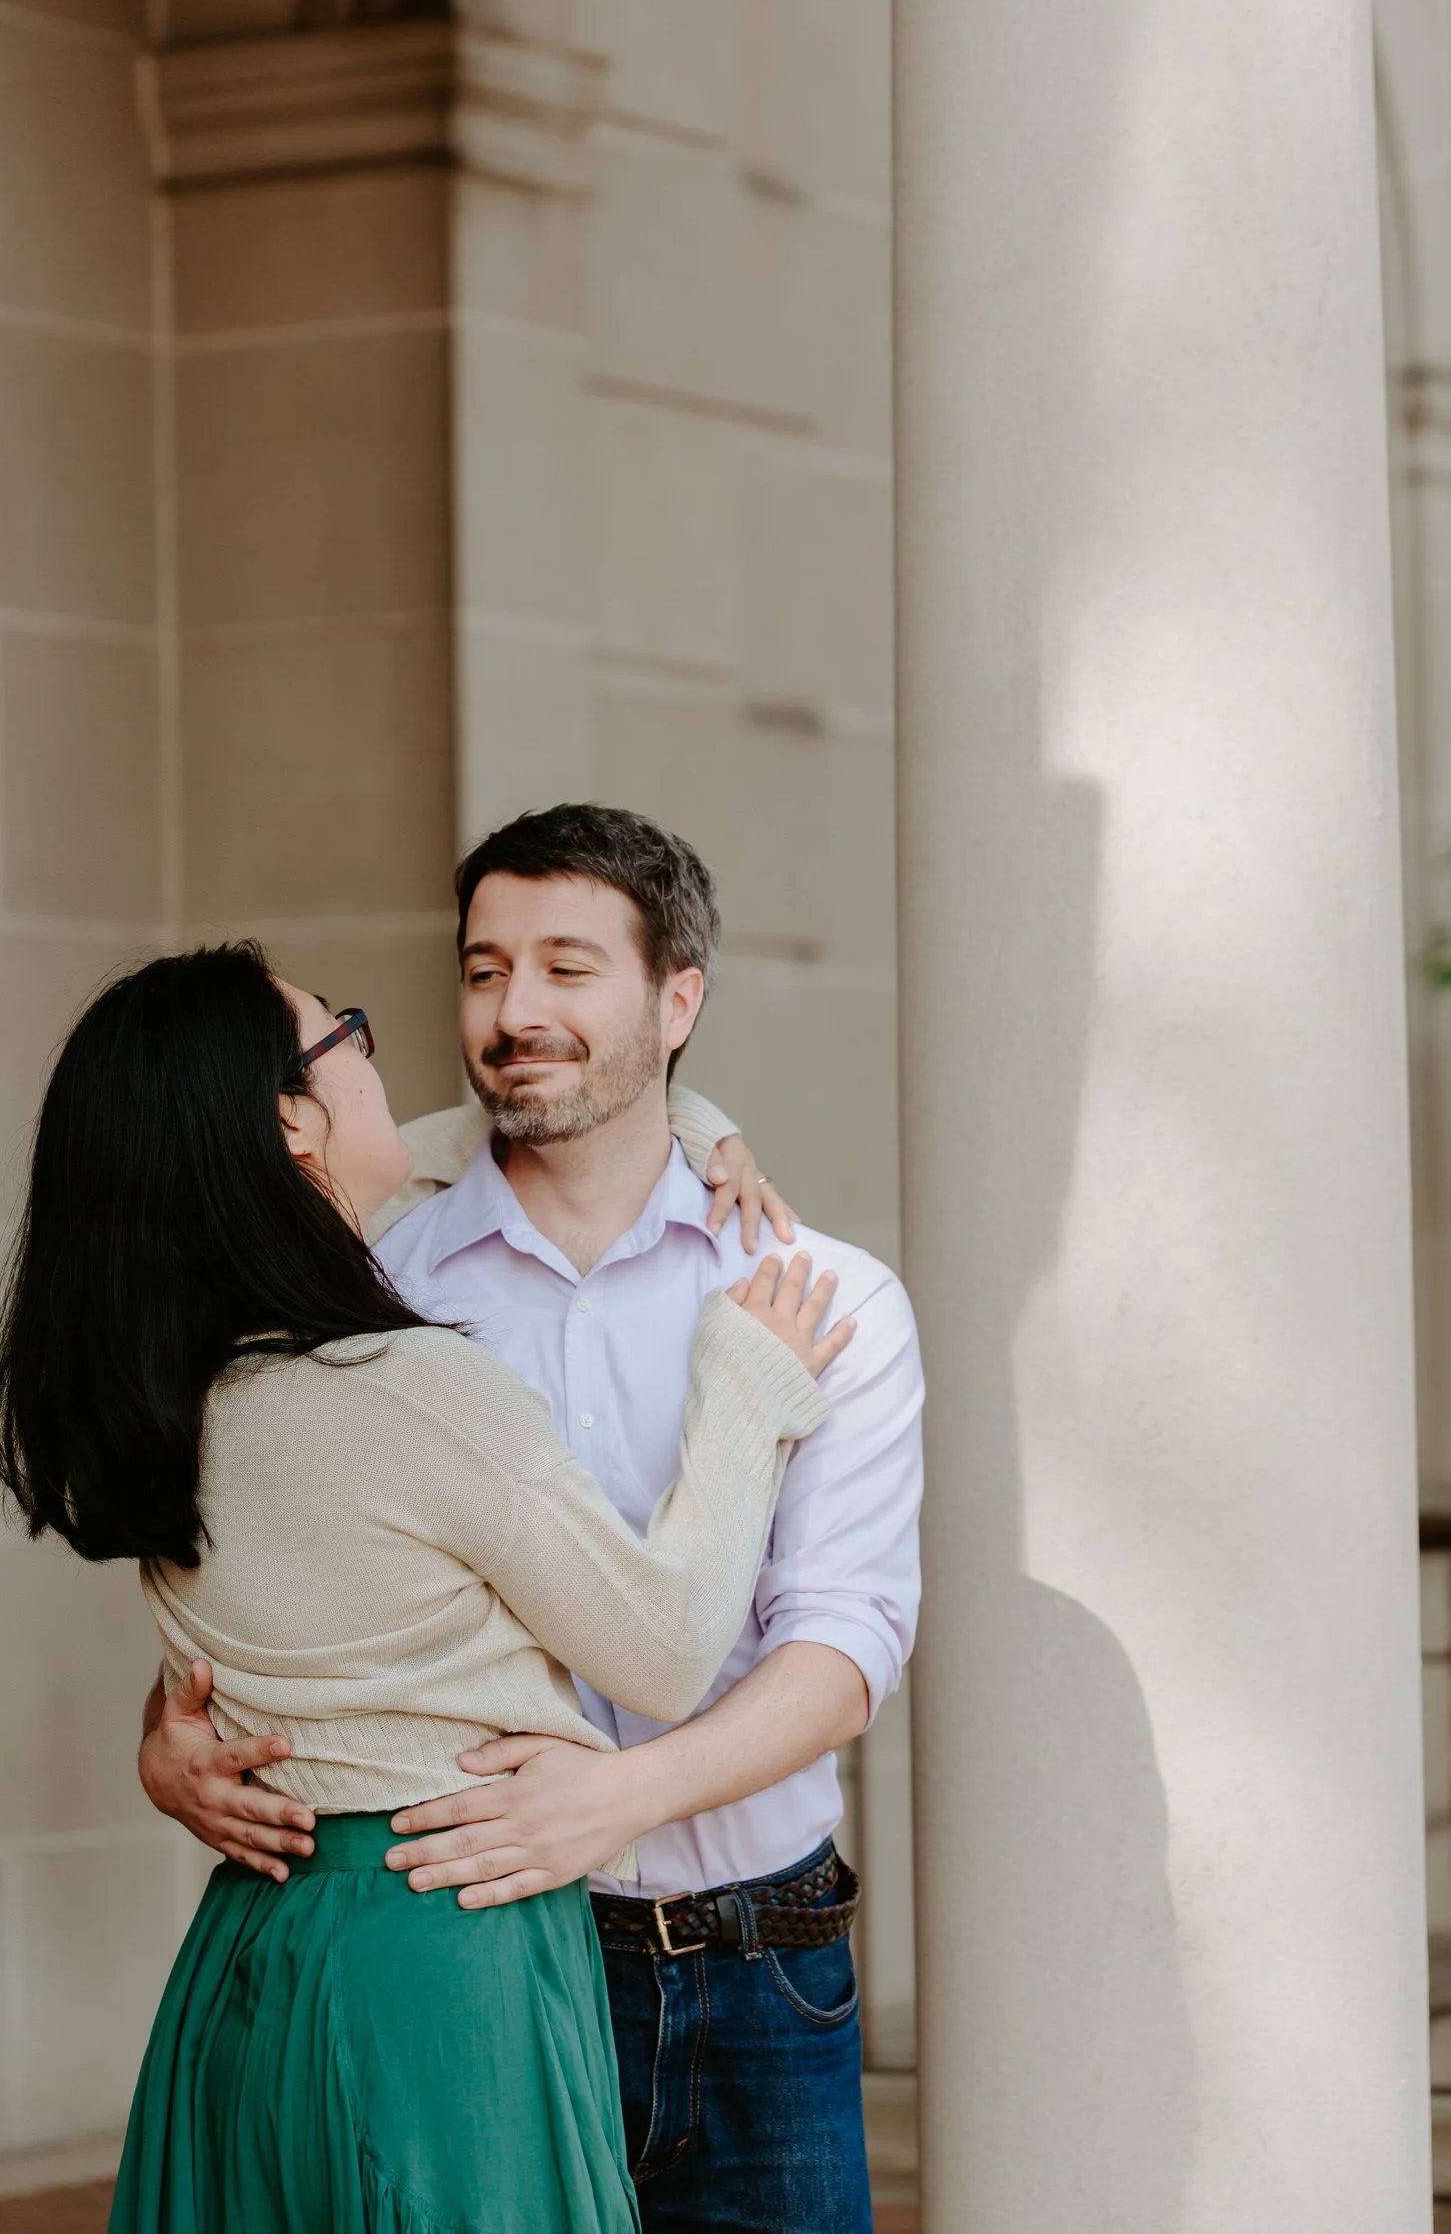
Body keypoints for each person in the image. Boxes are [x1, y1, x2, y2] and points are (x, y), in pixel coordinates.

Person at [0, 939, 851, 2234]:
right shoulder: (402, 1390)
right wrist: (744, 1385)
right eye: (347, 1036)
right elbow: (667, 1648)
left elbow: (480, 1137)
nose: (379, 1061)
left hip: (258, 1952)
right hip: (439, 1955)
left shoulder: (180, 1392)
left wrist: (699, 1126)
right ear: (292, 1118)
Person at [144, 805, 924, 2233]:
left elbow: (844, 1642)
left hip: (761, 1964)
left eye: (569, 968)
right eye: (484, 969)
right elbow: (289, 1566)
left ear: (677, 1001)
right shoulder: (369, 1284)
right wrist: (171, 1730)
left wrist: (620, 1799)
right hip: (481, 1952)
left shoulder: (821, 1297)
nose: (515, 1013)